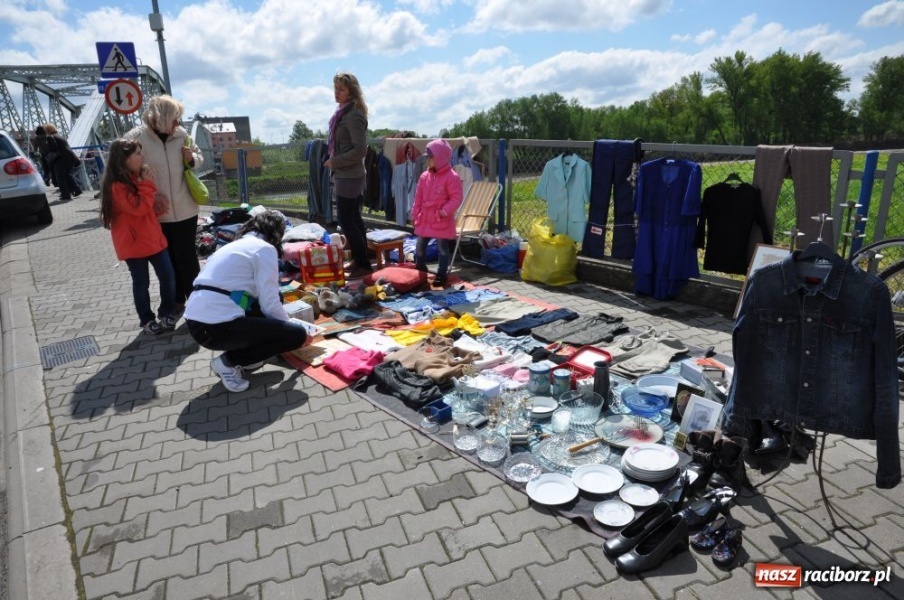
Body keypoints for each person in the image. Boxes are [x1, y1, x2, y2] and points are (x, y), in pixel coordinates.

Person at [184, 210, 309, 392]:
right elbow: (269, 302)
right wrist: (287, 327)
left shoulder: (235, 245)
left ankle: (247, 356)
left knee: (272, 304)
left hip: (198, 323)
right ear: (276, 233)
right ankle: (228, 362)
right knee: (296, 335)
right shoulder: (264, 249)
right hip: (216, 329)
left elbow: (244, 294)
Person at [125, 95, 202, 315]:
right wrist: (150, 194)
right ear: (162, 117)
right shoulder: (136, 138)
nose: (178, 123)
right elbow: (125, 172)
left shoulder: (181, 135)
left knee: (188, 258)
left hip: (186, 208)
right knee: (168, 261)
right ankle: (176, 300)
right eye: (175, 118)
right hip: (157, 213)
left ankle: (198, 302)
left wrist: (192, 159)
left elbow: (199, 158)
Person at [99, 139, 177, 335]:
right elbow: (139, 208)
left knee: (168, 276)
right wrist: (148, 185)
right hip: (133, 244)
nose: (143, 157)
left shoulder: (137, 178)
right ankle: (146, 319)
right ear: (125, 159)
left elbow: (146, 208)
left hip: (152, 238)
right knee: (141, 283)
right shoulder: (116, 186)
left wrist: (157, 205)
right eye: (138, 153)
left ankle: (166, 312)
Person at [325, 72, 372, 279]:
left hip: (350, 176)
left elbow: (360, 150)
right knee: (354, 219)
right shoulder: (344, 112)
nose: (336, 93)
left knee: (346, 221)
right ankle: (360, 260)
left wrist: (335, 161)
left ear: (351, 92)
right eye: (335, 88)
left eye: (341, 89)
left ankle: (364, 264)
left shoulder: (353, 115)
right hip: (347, 174)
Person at [411, 139, 463, 286]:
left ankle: (441, 274)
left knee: (442, 248)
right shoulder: (424, 176)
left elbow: (456, 198)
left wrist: (444, 212)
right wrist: (415, 213)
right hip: (425, 217)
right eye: (427, 157)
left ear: (441, 158)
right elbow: (418, 197)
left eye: (431, 157)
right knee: (420, 245)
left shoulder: (451, 177)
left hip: (441, 218)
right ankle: (420, 267)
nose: (427, 160)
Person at [36, 124, 82, 200]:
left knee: (60, 177)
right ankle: (76, 190)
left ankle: (66, 195)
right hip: (70, 158)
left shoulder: (50, 137)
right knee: (66, 175)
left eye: (45, 130)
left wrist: (47, 148)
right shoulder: (59, 136)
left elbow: (53, 148)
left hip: (62, 159)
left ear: (47, 130)